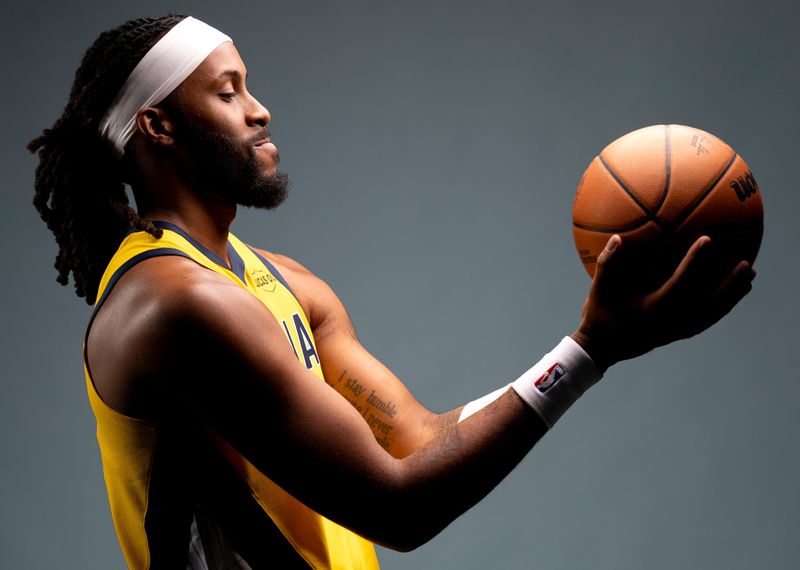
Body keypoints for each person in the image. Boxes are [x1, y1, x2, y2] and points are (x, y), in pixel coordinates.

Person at [28, 14, 756, 570]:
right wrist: (590, 350)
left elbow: (419, 440)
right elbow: (399, 505)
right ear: (158, 126)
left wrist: (588, 344)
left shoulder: (280, 282)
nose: (260, 110)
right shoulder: (175, 303)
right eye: (227, 92)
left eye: (248, 85)